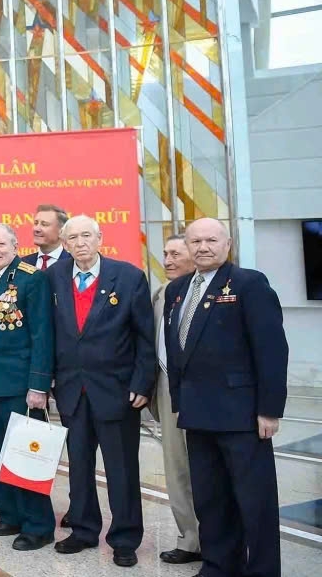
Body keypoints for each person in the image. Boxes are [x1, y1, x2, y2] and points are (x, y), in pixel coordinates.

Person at [166, 218, 288, 577]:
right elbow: (176, 355)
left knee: (254, 502)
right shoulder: (178, 290)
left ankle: (263, 570)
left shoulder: (249, 284)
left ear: (228, 243)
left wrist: (269, 409)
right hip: (196, 413)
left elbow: (271, 350)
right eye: (196, 241)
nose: (203, 247)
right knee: (210, 499)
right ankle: (219, 565)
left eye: (210, 240)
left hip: (242, 415)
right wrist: (177, 403)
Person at [50, 215, 154, 568]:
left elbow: (144, 336)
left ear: (99, 238)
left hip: (117, 391)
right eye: (72, 238)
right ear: (64, 244)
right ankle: (83, 529)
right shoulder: (54, 278)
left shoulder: (128, 277)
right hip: (71, 390)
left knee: (121, 468)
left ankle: (124, 538)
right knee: (78, 466)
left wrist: (143, 382)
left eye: (86, 236)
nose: (80, 243)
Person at [0, 222, 56, 551]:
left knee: (26, 454)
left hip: (20, 384)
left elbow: (42, 334)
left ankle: (38, 525)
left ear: (15, 245)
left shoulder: (31, 277)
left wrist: (38, 385)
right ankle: (9, 514)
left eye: (0, 244)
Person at [148, 234, 201, 565]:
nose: (167, 259)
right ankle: (190, 538)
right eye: (165, 253)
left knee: (206, 469)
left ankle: (218, 537)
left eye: (175, 254)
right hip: (168, 388)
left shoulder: (212, 292)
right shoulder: (161, 294)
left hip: (204, 393)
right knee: (176, 467)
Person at [22, 204, 70, 271]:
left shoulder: (73, 263)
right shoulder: (23, 264)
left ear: (61, 231)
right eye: (36, 223)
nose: (36, 229)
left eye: (44, 224)